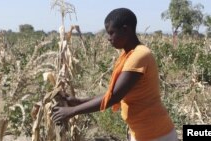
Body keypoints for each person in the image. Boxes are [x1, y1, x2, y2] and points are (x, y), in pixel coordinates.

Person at [52, 8, 178, 141]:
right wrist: (77, 102)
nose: (109, 38)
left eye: (112, 33)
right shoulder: (128, 55)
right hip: (141, 133)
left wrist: (72, 111)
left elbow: (114, 97)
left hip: (156, 135)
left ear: (126, 29)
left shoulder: (139, 56)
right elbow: (112, 95)